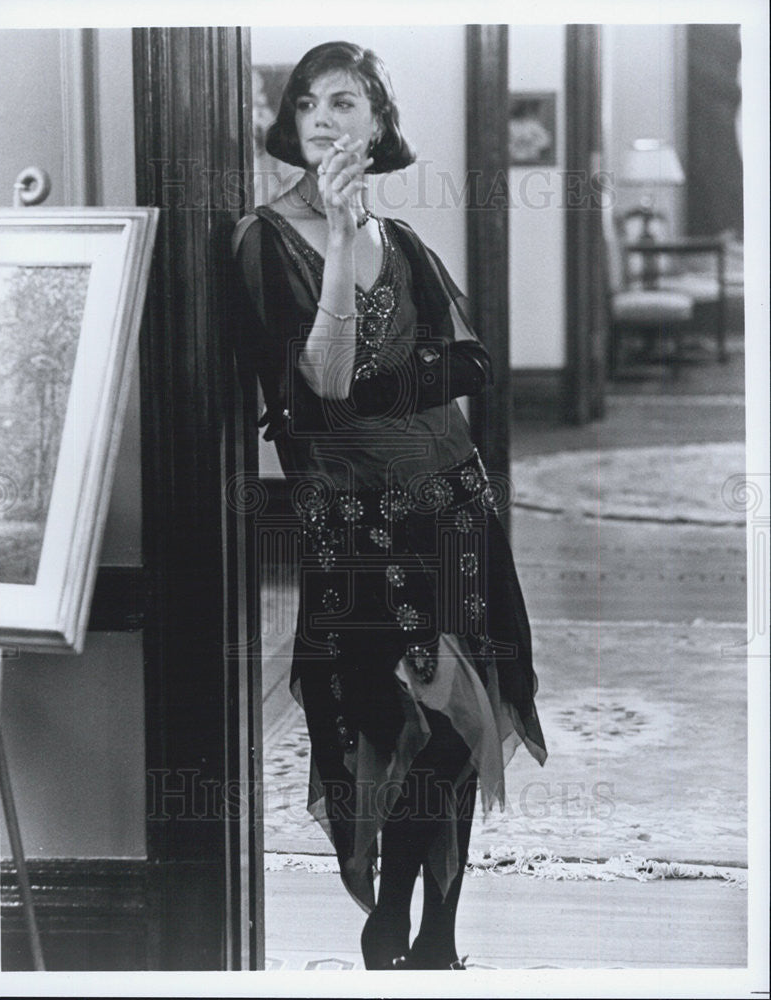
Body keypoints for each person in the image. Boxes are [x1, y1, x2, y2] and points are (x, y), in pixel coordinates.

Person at [231, 41, 547, 970]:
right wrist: (335, 240)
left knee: (473, 717)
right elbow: (323, 383)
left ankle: (434, 931)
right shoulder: (263, 239)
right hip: (361, 527)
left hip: (456, 504)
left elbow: (474, 364)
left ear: (376, 126)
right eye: (306, 106)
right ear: (291, 125)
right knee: (416, 724)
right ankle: (387, 922)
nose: (323, 120)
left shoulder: (403, 242)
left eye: (345, 103)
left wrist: (394, 380)